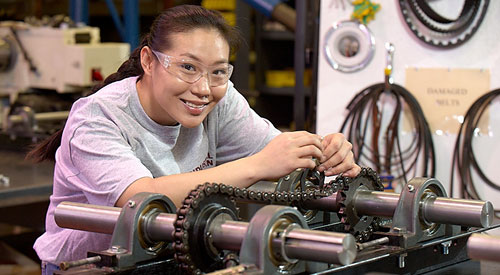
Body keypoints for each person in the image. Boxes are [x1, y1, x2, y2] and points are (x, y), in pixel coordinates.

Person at [29, 4, 360, 274]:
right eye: (187, 67)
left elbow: (278, 154)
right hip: (88, 266)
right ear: (148, 60)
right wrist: (259, 165)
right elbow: (139, 201)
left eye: (218, 71)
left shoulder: (220, 99)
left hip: (171, 259)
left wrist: (324, 154)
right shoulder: (97, 116)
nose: (203, 88)